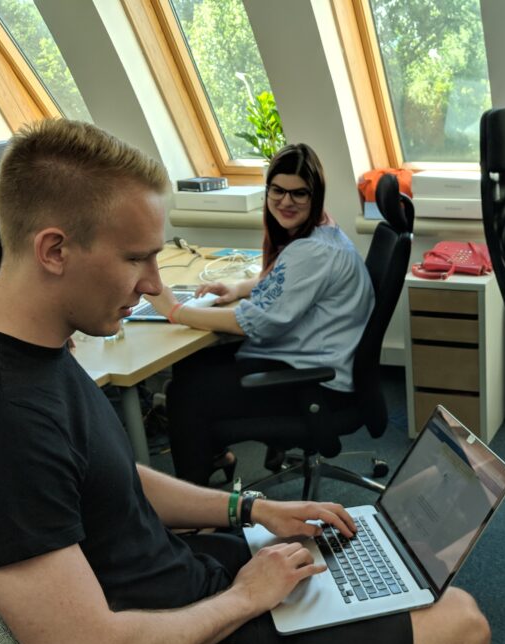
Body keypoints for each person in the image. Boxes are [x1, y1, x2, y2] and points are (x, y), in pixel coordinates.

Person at [0, 119, 490, 644]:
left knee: (363, 560)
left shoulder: (37, 354)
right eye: (134, 258)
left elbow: (114, 474)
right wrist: (247, 596)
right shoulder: (1, 418)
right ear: (55, 250)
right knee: (461, 625)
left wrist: (252, 510)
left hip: (196, 594)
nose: (154, 282)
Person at [144, 143, 375, 485]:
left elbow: (252, 323)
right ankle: (213, 457)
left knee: (185, 393)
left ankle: (199, 515)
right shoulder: (322, 231)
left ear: (315, 196)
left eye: (299, 193)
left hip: (317, 383)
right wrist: (239, 288)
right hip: (312, 359)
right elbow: (287, 281)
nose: (286, 201)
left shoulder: (313, 250)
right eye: (278, 190)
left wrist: (175, 311)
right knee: (192, 364)